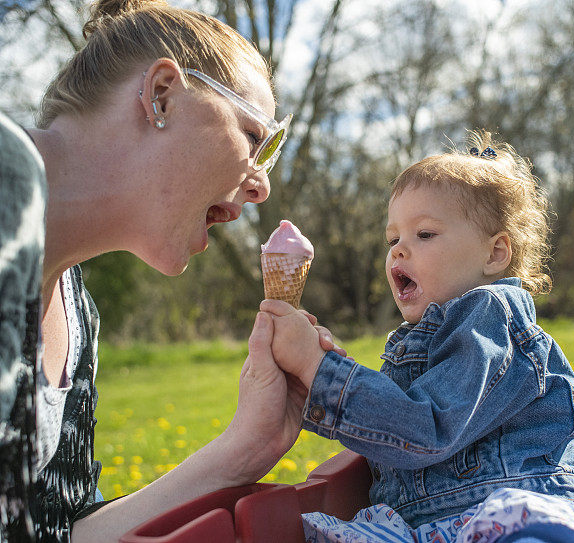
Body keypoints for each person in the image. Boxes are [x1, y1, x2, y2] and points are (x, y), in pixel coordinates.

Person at [0, 0, 345, 540]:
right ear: (162, 94)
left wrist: (243, 449)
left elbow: (57, 533)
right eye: (256, 139)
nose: (261, 186)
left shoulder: (78, 316)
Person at [261, 131, 574, 542]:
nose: (398, 250)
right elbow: (391, 430)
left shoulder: (489, 316)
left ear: (494, 254)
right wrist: (310, 379)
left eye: (424, 234)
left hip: (504, 515)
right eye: (393, 239)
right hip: (426, 527)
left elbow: (426, 428)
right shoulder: (412, 341)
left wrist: (321, 370)